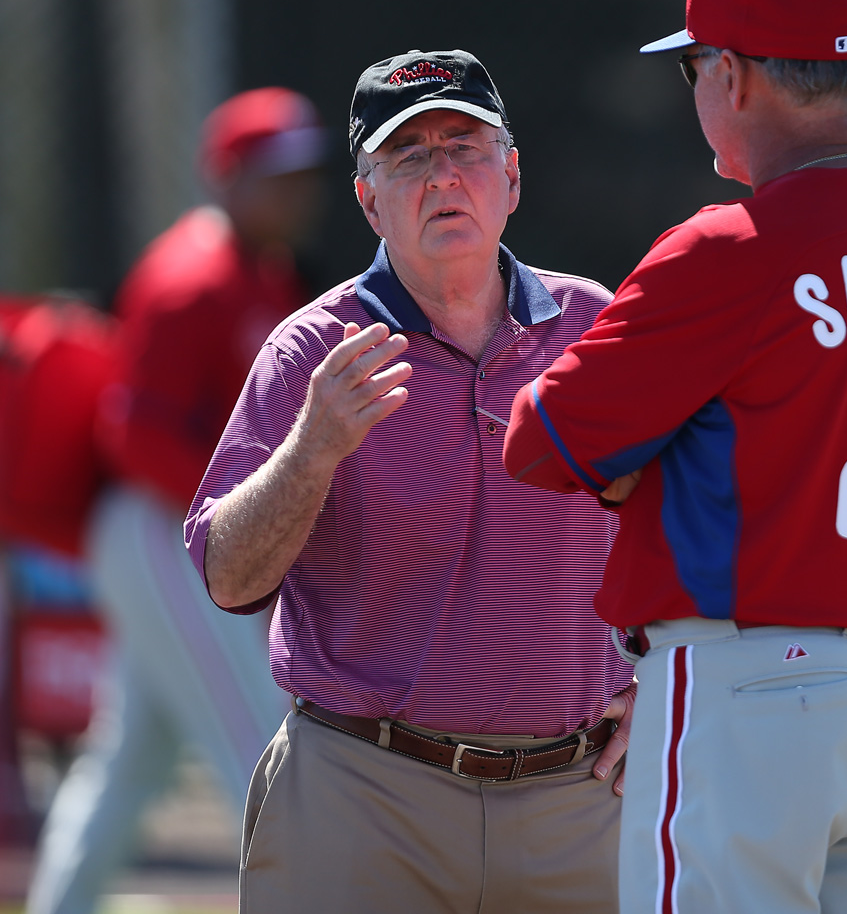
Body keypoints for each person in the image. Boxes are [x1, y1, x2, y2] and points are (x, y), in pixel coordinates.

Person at [503, 0, 847, 914]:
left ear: (729, 73)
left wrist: (656, 448)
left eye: (692, 65)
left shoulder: (731, 246)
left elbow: (539, 439)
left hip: (753, 684)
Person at [183, 48, 636, 913]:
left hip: (573, 799)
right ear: (369, 198)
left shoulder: (597, 326)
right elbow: (228, 577)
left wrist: (664, 686)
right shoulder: (312, 352)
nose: (443, 178)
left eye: (465, 149)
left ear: (511, 176)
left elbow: (681, 516)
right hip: (364, 792)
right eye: (409, 156)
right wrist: (313, 446)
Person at [26, 87, 327, 914]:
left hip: (183, 536)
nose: (297, 191)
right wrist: (243, 508)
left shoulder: (264, 273)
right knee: (261, 743)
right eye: (278, 174)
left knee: (130, 763)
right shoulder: (190, 276)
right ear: (227, 177)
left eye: (304, 173)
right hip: (164, 532)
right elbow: (132, 434)